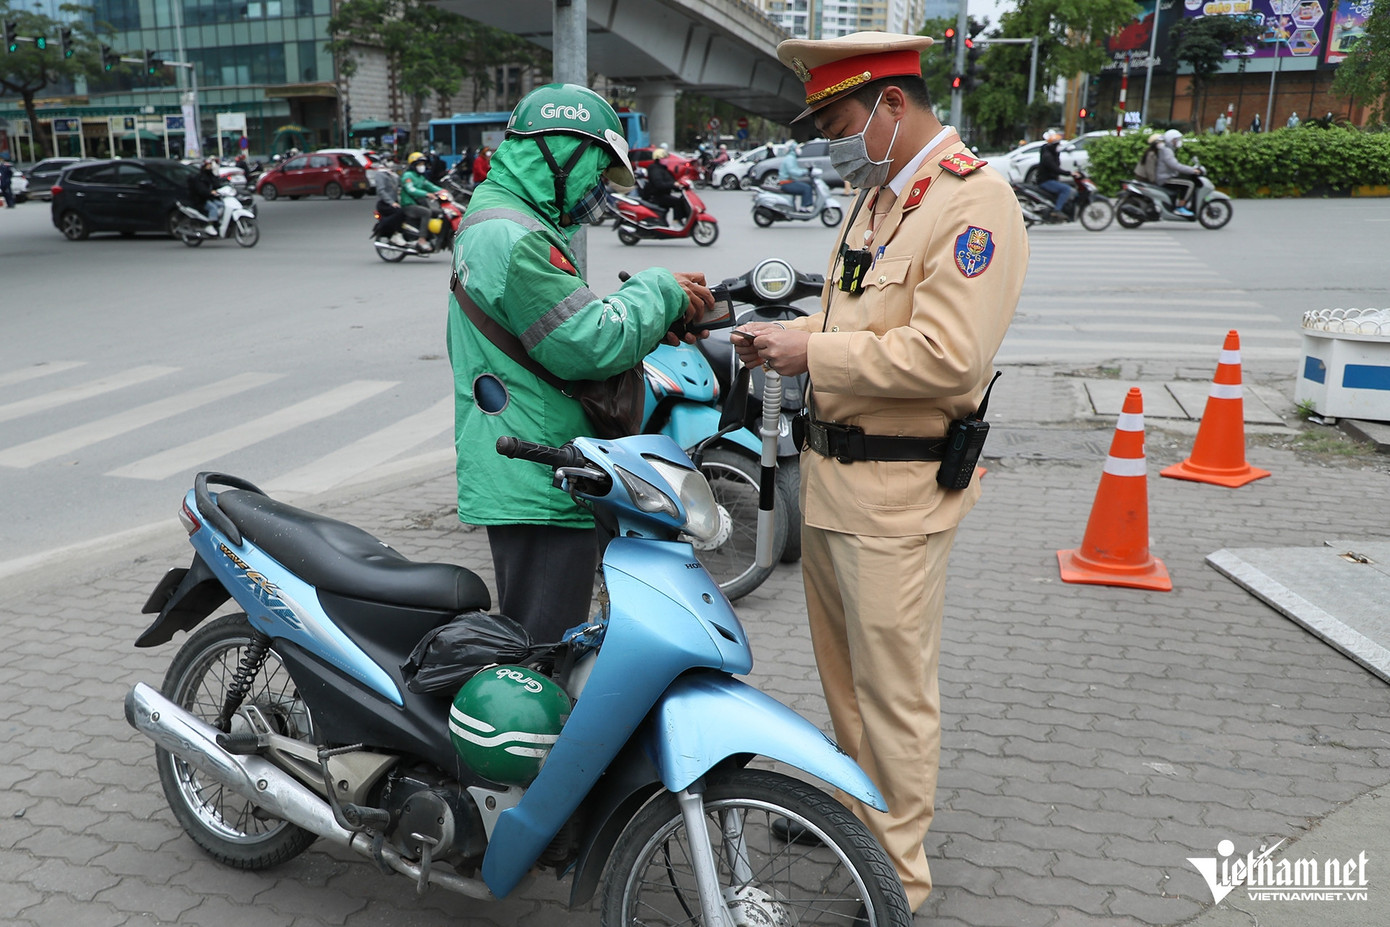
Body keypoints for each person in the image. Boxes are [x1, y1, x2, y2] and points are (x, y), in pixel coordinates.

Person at [731, 31, 1027, 915]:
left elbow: (949, 357)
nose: (833, 138)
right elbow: (860, 324)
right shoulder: (876, 202)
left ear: (894, 106)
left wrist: (809, 349)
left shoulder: (971, 205)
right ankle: (865, 819)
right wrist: (788, 344)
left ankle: (896, 879)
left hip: (899, 493)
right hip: (832, 480)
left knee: (894, 693)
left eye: (842, 118)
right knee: (845, 681)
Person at [446, 83, 713, 642]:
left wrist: (654, 311)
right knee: (542, 649)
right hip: (538, 472)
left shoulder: (503, 219)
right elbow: (585, 343)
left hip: (532, 459)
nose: (597, 188)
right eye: (595, 167)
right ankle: (529, 734)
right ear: (557, 153)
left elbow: (548, 325)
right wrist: (658, 288)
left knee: (545, 634)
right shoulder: (514, 237)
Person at [401, 151, 444, 250]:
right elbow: (411, 190)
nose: (422, 166)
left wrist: (442, 190)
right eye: (420, 164)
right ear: (414, 165)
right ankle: (422, 239)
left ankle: (433, 236)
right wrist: (426, 194)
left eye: (423, 164)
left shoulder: (420, 177)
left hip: (418, 204)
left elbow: (429, 186)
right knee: (427, 212)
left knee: (439, 213)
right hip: (409, 205)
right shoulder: (408, 176)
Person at [1156, 128, 1201, 217]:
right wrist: (1192, 170)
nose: (1178, 142)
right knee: (1190, 184)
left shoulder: (1167, 149)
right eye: (1176, 140)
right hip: (1165, 178)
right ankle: (1180, 207)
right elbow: (1175, 165)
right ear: (1172, 140)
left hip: (1167, 176)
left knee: (1185, 180)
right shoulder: (1167, 151)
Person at [641, 148, 689, 224]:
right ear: (659, 159)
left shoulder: (663, 169)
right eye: (664, 158)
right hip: (656, 196)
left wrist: (679, 186)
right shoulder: (655, 169)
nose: (666, 160)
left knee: (681, 201)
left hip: (662, 194)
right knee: (678, 202)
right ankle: (676, 223)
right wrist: (673, 184)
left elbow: (670, 181)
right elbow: (659, 184)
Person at [1036, 130, 1072, 217]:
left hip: (1051, 179)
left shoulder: (1052, 153)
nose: (1059, 146)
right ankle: (1057, 210)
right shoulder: (1047, 156)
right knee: (1066, 189)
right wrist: (1069, 173)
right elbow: (1055, 169)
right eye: (1057, 145)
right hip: (1045, 181)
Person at [373, 159, 409, 247]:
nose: (392, 163)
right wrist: (391, 202)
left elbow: (400, 186)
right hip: (385, 204)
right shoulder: (380, 174)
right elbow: (381, 191)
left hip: (396, 201)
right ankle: (396, 235)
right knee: (399, 212)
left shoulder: (393, 174)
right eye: (389, 160)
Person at [778, 142, 815, 210]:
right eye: (797, 148)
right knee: (806, 188)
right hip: (786, 183)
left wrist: (804, 171)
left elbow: (795, 169)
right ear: (793, 149)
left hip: (789, 181)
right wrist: (805, 172)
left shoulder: (791, 157)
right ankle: (803, 208)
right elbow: (792, 171)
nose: (799, 149)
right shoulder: (790, 158)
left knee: (805, 186)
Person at [188, 159, 221, 232]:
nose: (209, 166)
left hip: (210, 198)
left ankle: (218, 223)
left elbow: (216, 184)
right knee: (213, 208)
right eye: (207, 165)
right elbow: (201, 190)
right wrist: (210, 192)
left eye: (210, 165)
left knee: (222, 205)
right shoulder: (200, 177)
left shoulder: (210, 175)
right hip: (202, 200)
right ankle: (210, 225)